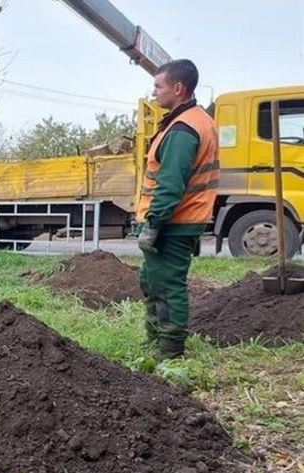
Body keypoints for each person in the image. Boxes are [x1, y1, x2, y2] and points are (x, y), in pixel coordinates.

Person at [136, 59, 219, 360]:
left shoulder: (183, 130)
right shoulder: (194, 120)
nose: (154, 92)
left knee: (167, 285)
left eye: (159, 86)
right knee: (152, 280)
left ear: (178, 88)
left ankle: (169, 352)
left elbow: (170, 184)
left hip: (173, 223)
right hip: (181, 220)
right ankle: (156, 339)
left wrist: (153, 224)